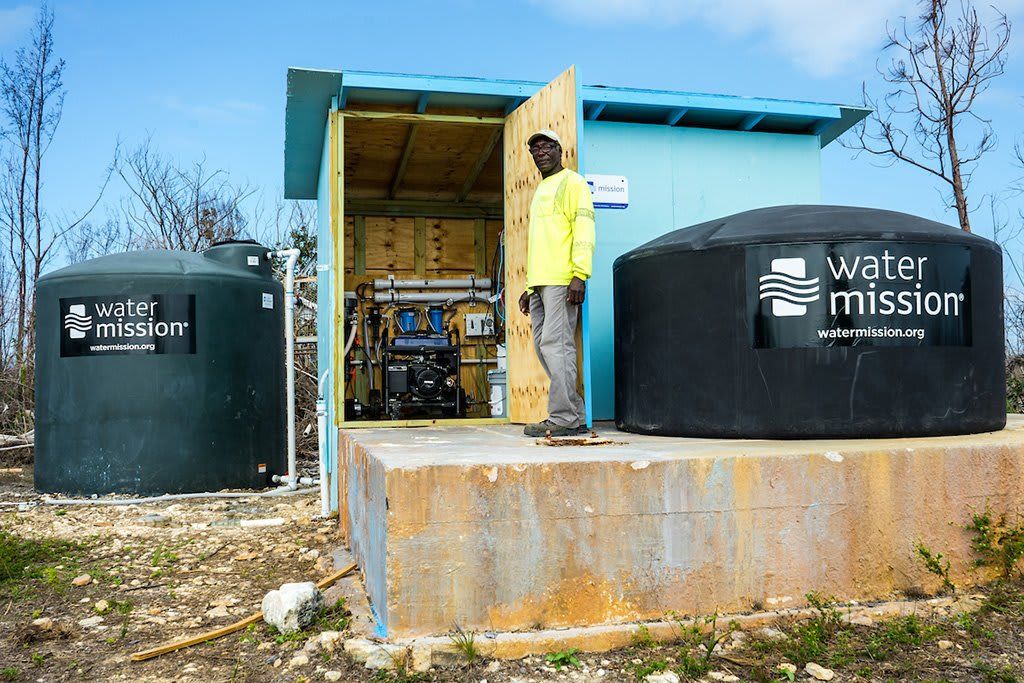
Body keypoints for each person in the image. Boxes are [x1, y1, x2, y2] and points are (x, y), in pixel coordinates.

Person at [518, 129, 595, 437]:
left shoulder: (573, 183)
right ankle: (573, 413)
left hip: (563, 280)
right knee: (543, 346)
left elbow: (584, 228)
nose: (541, 152)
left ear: (559, 150)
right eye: (535, 148)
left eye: (546, 146)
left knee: (556, 346)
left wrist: (580, 274)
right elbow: (540, 243)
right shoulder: (540, 190)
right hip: (540, 283)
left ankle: (563, 417)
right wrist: (528, 286)